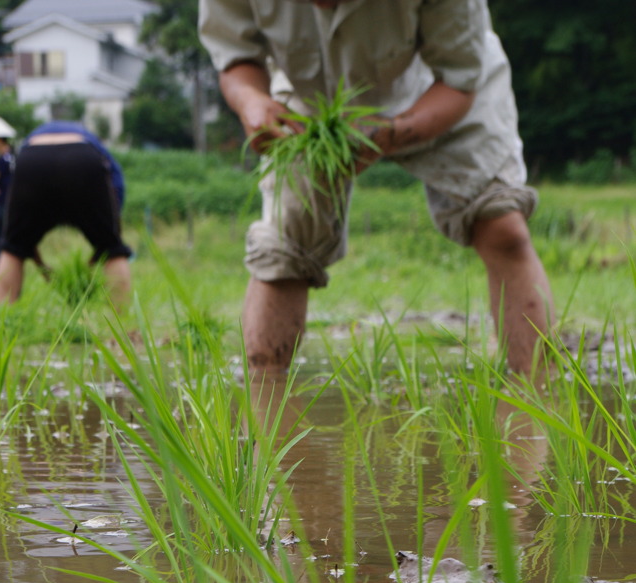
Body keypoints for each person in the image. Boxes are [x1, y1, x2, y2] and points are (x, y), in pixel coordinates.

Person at [198, 0, 555, 375]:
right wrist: (250, 99)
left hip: (438, 82)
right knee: (284, 245)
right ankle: (266, 407)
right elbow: (236, 55)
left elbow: (460, 81)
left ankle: (535, 398)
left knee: (502, 225)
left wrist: (392, 134)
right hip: (311, 94)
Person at [0, 121, 131, 308]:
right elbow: (117, 184)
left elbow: (20, 230)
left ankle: (3, 317)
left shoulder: (36, 136)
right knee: (112, 249)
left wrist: (38, 262)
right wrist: (108, 237)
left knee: (12, 248)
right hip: (81, 158)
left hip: (33, 159)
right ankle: (122, 324)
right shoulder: (90, 141)